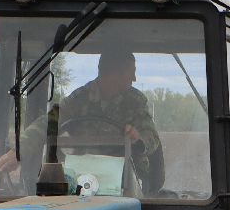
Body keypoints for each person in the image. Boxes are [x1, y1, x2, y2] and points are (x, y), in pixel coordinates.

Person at [60, 49, 164, 190]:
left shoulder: (136, 101)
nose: (134, 78)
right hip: (82, 180)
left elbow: (151, 136)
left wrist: (137, 138)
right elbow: (47, 123)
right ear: (115, 74)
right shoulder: (79, 99)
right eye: (131, 72)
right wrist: (21, 149)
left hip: (129, 181)